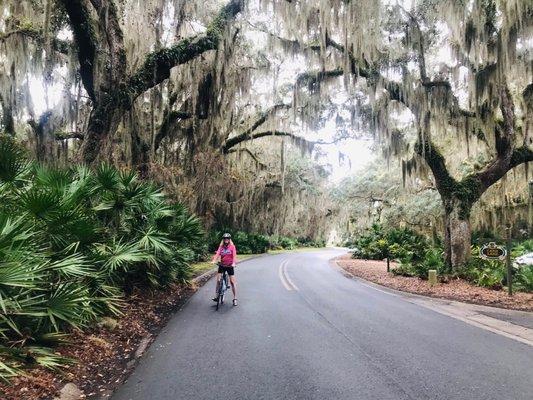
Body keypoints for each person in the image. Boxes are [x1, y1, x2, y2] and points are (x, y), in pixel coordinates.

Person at [212, 233, 238, 306]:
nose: (226, 240)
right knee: (218, 280)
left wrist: (233, 263)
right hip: (222, 265)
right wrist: (214, 260)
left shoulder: (232, 247)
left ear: (229, 239)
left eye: (227, 238)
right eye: (225, 238)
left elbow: (234, 256)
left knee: (232, 282)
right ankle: (217, 296)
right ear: (223, 239)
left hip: (230, 266)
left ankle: (235, 298)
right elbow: (217, 254)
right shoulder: (221, 247)